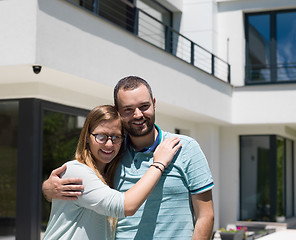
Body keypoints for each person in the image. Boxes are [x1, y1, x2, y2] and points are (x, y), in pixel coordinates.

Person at [43, 76, 215, 240]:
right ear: (118, 112)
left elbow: (206, 215)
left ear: (154, 104)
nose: (138, 114)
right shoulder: (112, 153)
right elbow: (91, 184)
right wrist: (48, 189)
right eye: (128, 109)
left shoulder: (185, 147)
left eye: (144, 106)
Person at [42, 105, 181, 240]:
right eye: (101, 136)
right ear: (87, 138)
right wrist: (159, 164)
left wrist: (46, 190)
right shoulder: (77, 171)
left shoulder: (109, 175)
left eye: (116, 137)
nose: (109, 144)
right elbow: (126, 206)